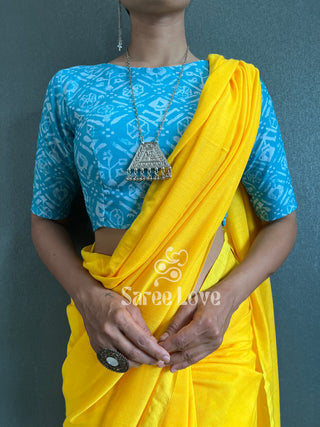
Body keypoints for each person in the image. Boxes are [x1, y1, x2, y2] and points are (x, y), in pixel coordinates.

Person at [31, 0, 297, 425]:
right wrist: (89, 300)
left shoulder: (237, 88)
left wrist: (225, 302)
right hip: (111, 339)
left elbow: (281, 221)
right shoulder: (72, 89)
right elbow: (45, 219)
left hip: (211, 344)